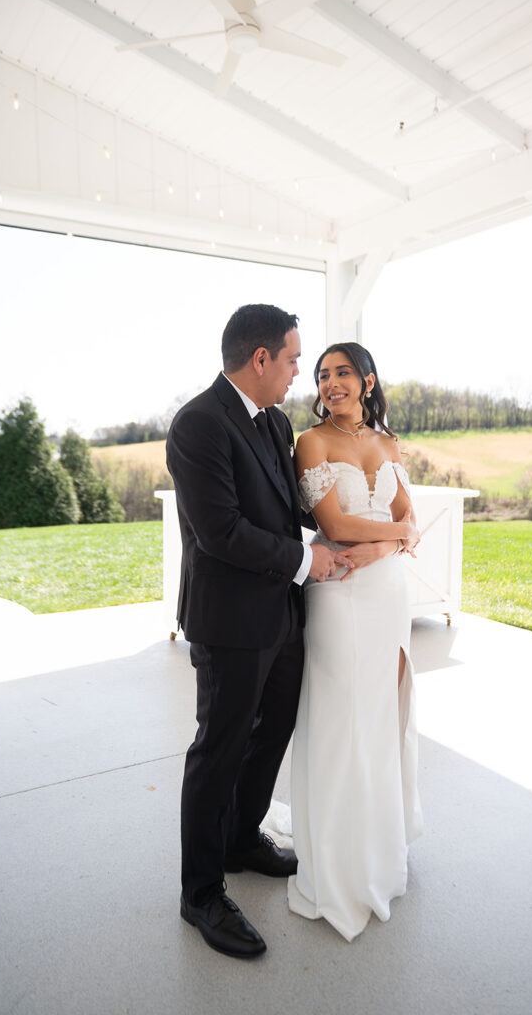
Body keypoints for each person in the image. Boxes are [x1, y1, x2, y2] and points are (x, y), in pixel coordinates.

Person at [166, 304, 343, 960]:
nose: (300, 372)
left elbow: (291, 505)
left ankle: (242, 838)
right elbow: (221, 532)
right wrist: (305, 560)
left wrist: (358, 506)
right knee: (219, 750)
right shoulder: (197, 424)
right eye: (294, 359)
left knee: (273, 732)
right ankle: (201, 893)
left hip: (282, 617)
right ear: (260, 358)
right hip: (230, 622)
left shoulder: (275, 421)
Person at [287, 342, 424, 941]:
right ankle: (338, 860)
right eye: (322, 375)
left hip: (387, 594)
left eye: (342, 372)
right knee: (342, 716)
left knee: (381, 713)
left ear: (367, 380)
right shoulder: (312, 442)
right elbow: (335, 525)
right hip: (339, 592)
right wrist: (397, 535)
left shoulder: (389, 444)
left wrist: (388, 545)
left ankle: (379, 844)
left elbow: (410, 517)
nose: (330, 383)